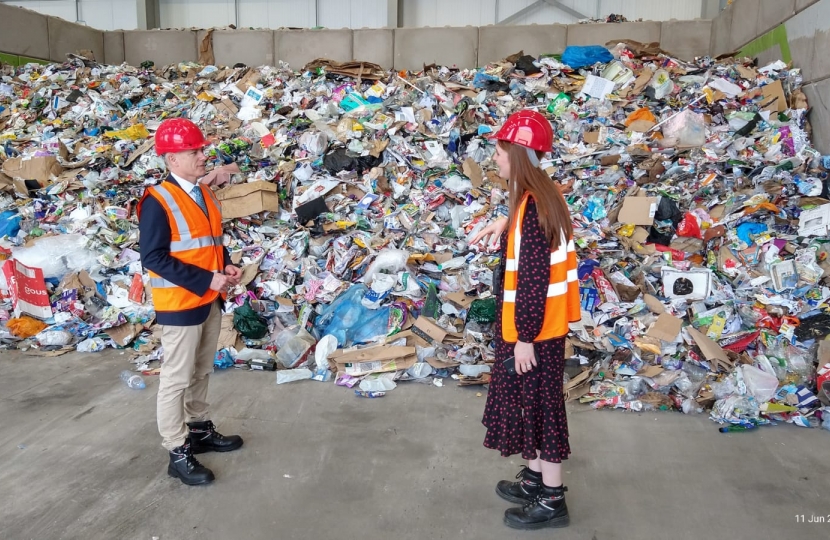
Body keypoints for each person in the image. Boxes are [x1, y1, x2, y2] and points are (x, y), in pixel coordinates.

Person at [471, 110, 580, 530]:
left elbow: (534, 283)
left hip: (536, 333)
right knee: (529, 406)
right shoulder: (539, 197)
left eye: (498, 151)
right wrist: (504, 222)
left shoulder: (533, 209)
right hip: (541, 330)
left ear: (515, 154)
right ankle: (535, 479)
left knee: (541, 409)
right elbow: (530, 232)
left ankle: (552, 500)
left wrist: (525, 340)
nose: (495, 159)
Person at [138, 118, 244, 486]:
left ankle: (198, 429)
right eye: (194, 151)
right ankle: (176, 450)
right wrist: (206, 279)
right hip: (181, 304)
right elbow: (153, 257)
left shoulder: (204, 192)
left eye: (201, 149)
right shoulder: (158, 201)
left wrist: (226, 264)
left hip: (210, 299)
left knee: (201, 370)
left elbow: (211, 240)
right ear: (172, 159)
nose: (203, 156)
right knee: (176, 379)